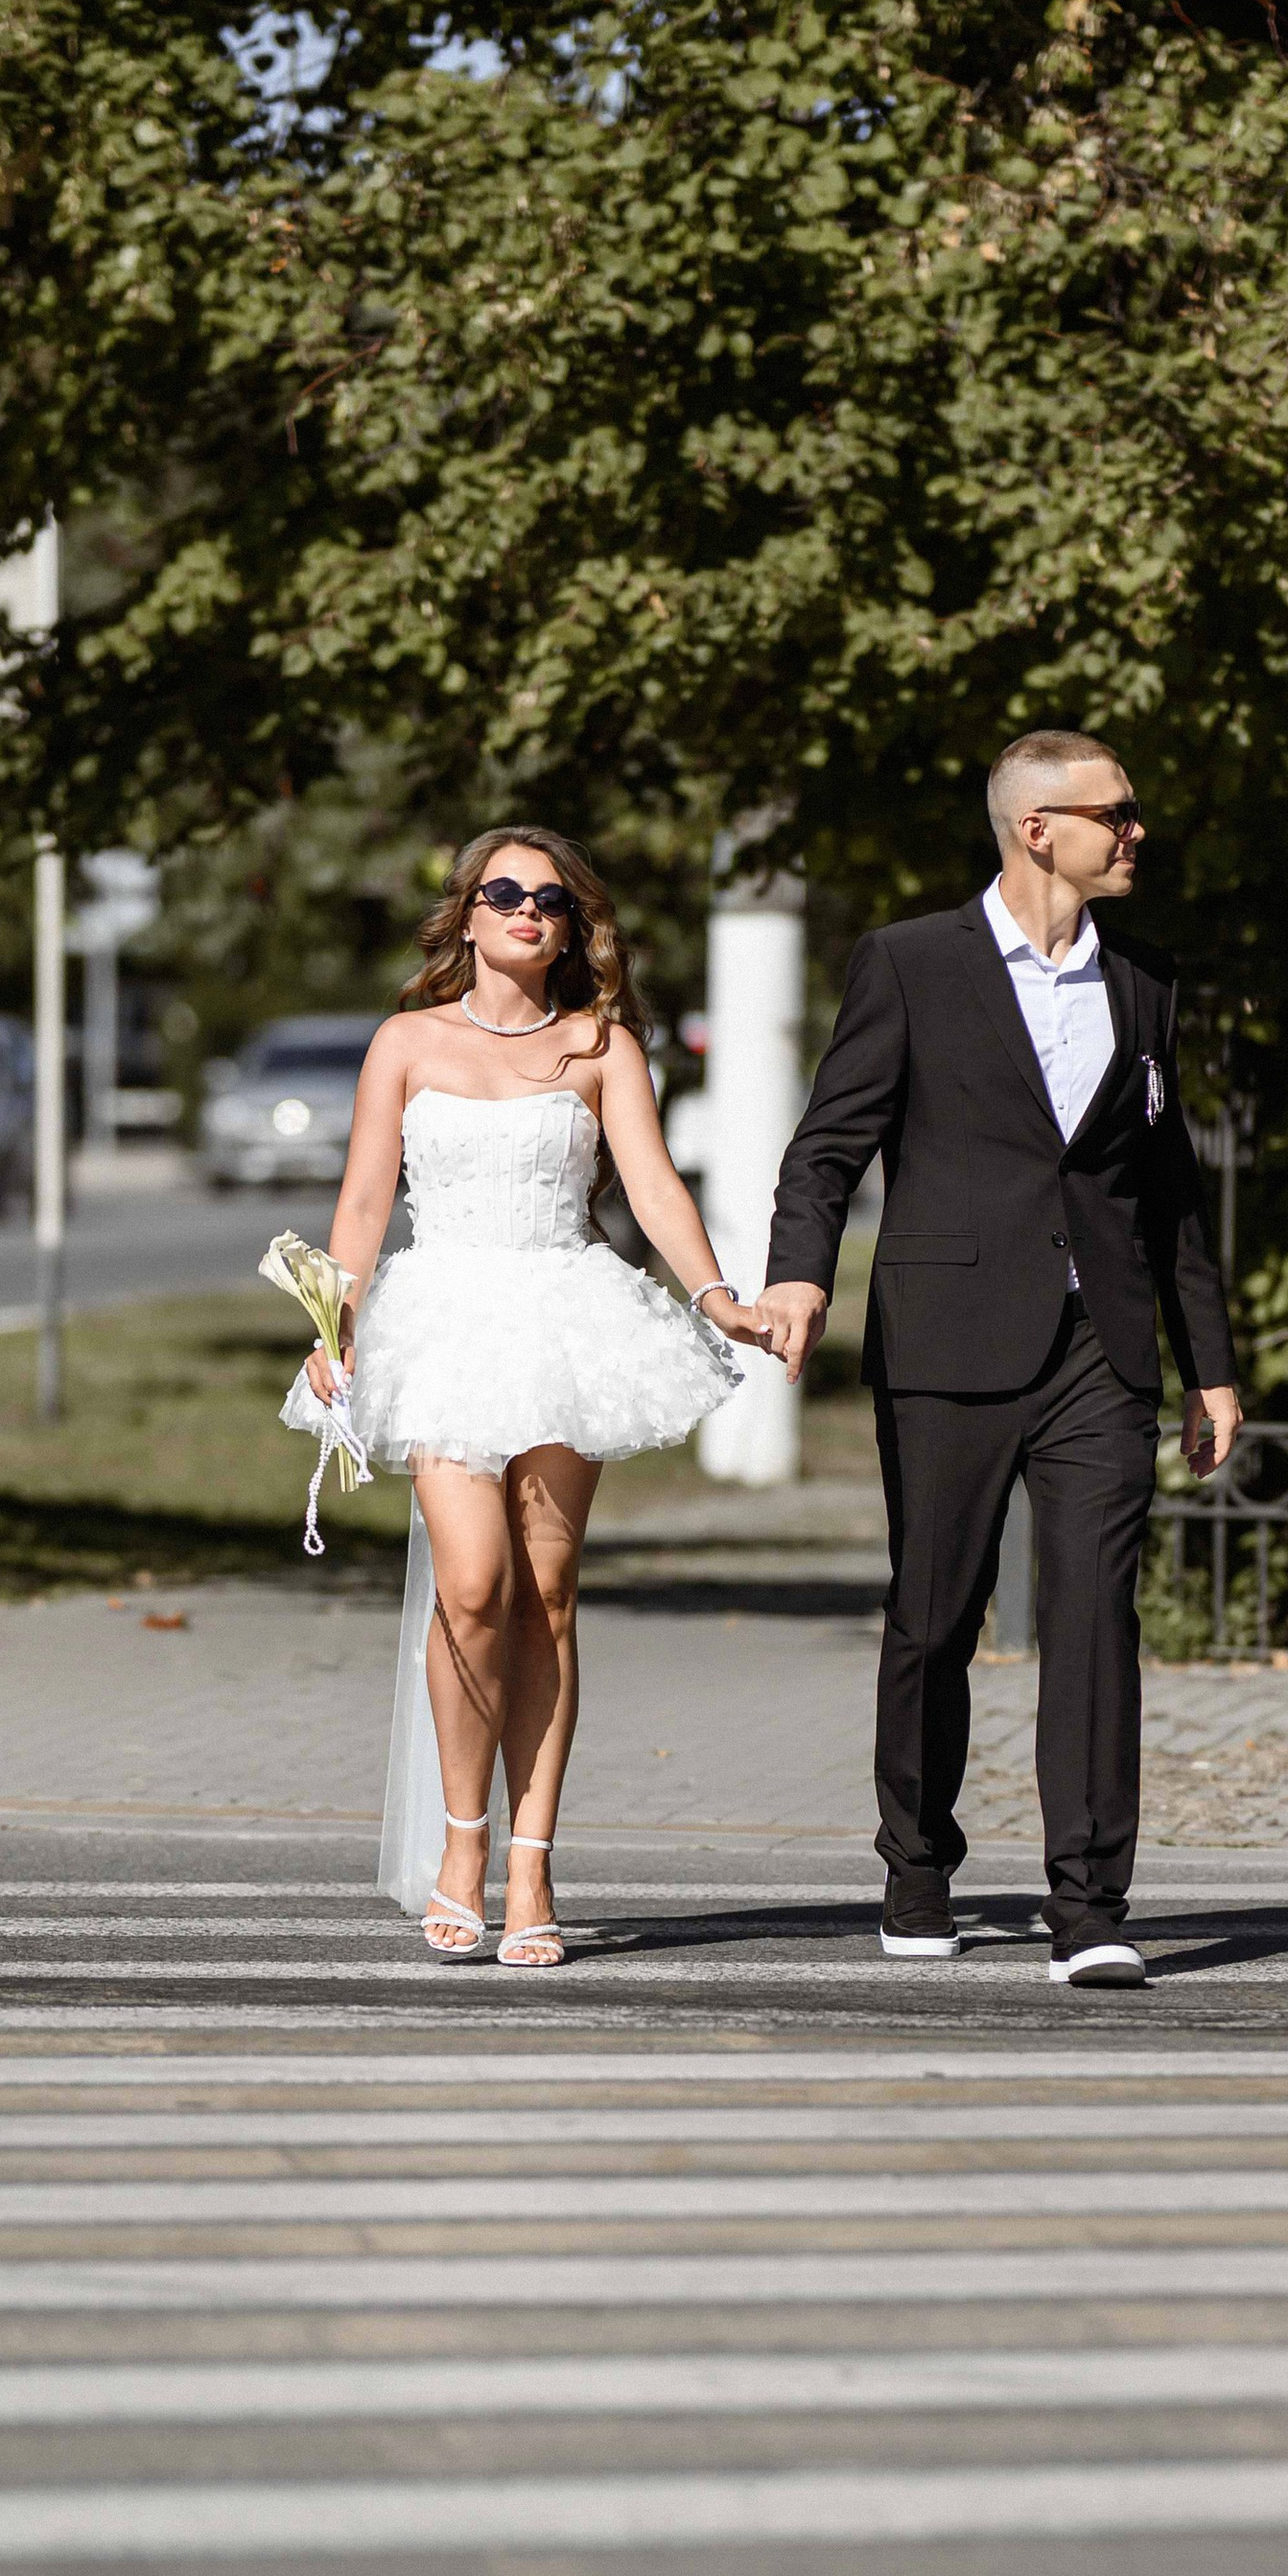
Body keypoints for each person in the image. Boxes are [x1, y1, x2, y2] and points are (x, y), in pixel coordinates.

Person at [759, 730, 1243, 1988]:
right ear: (1039, 829)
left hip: (1102, 1348)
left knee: (1094, 1615)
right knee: (936, 1617)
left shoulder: (1142, 979)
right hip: (951, 1338)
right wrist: (800, 1271)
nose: (1137, 833)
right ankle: (917, 1864)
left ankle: (1091, 1908)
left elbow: (1166, 1181)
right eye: (1116, 815)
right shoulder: (911, 965)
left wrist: (1211, 1359)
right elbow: (829, 1145)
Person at [285, 828, 767, 1967]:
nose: (525, 910)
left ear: (571, 924)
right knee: (473, 1585)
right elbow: (362, 1200)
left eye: (548, 898)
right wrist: (331, 1322)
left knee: (546, 1593)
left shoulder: (600, 1047)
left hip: (564, 1317)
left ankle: (532, 1863)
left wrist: (715, 1295)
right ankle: (462, 1843)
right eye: (502, 892)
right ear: (465, 916)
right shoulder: (403, 1042)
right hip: (441, 1318)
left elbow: (648, 1184)